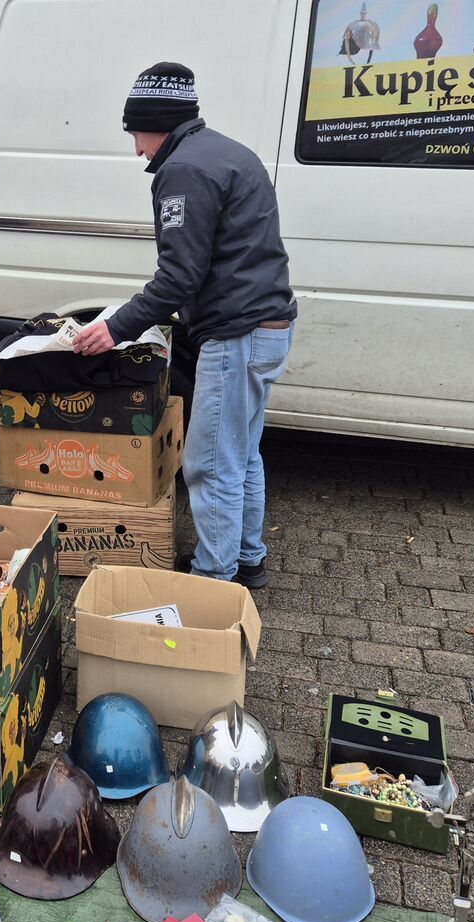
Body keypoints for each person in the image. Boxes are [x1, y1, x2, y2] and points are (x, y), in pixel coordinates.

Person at [73, 62, 297, 589]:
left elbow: (180, 275)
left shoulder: (185, 171)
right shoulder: (228, 151)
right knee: (241, 454)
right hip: (269, 327)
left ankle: (213, 579)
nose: (137, 150)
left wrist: (117, 327)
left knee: (210, 464)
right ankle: (248, 557)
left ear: (158, 124)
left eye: (137, 135)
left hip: (235, 334)